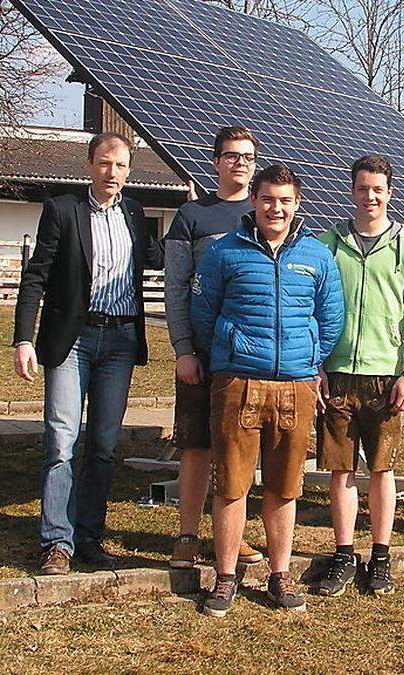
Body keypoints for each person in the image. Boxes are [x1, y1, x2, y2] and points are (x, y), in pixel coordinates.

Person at [191, 164, 344, 617]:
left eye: (285, 200)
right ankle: (224, 577)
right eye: (268, 199)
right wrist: (230, 347)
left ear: (297, 204)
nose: (276, 208)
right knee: (232, 485)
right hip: (238, 381)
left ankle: (279, 574)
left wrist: (311, 360)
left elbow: (331, 317)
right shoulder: (224, 253)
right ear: (254, 201)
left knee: (284, 486)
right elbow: (203, 311)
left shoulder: (317, 256)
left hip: (296, 385)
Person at [12, 132, 164, 575]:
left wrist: (190, 218)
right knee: (61, 441)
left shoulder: (136, 214)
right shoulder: (63, 210)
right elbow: (35, 277)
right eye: (103, 163)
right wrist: (24, 338)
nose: (111, 172)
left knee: (102, 444)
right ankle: (57, 542)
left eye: (119, 165)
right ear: (90, 164)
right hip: (72, 340)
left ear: (129, 171)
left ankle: (91, 538)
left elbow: (158, 258)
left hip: (119, 341)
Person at [314, 154, 404, 597]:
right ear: (352, 191)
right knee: (340, 471)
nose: (370, 197)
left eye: (378, 189)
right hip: (339, 375)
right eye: (362, 188)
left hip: (387, 376)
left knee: (382, 470)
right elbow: (312, 307)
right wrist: (319, 365)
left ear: (390, 193)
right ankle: (344, 555)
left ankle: (380, 557)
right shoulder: (328, 243)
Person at [164, 126, 265, 570]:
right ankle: (188, 534)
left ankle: (233, 535)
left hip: (245, 358)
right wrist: (183, 349)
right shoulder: (192, 215)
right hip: (201, 357)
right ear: (215, 162)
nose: (238, 162)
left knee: (238, 452)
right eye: (230, 155)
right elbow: (175, 288)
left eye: (246, 156)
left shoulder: (264, 215)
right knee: (196, 447)